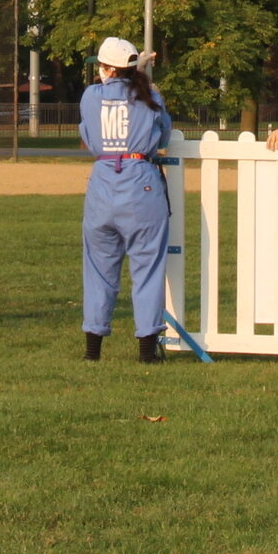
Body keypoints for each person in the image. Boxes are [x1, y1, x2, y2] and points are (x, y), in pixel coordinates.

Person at [79, 35, 173, 362]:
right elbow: (163, 134)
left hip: (103, 183)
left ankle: (93, 350)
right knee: (147, 268)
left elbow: (89, 137)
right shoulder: (148, 97)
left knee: (98, 270)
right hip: (141, 184)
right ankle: (147, 350)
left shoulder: (90, 96)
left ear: (106, 69)